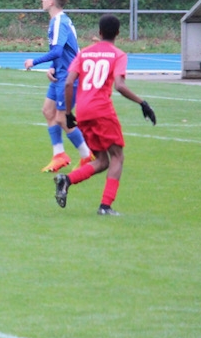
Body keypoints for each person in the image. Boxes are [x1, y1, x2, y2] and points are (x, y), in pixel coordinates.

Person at [54, 15, 157, 215]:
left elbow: (68, 82)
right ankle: (105, 206)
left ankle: (66, 180)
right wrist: (142, 102)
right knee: (117, 156)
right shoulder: (118, 55)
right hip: (101, 110)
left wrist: (67, 113)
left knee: (102, 160)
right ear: (118, 33)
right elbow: (119, 85)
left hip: (83, 112)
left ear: (99, 32)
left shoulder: (84, 53)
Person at [23, 0, 93, 172]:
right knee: (48, 111)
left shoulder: (59, 21)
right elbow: (63, 51)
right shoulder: (57, 20)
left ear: (52, 2)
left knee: (62, 119)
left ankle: (87, 155)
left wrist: (34, 62)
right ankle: (59, 155)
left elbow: (58, 51)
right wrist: (53, 67)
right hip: (60, 73)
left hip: (69, 76)